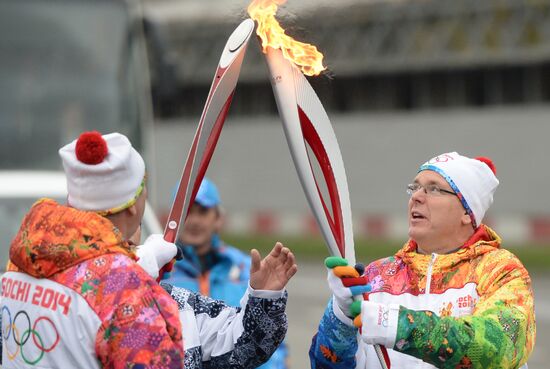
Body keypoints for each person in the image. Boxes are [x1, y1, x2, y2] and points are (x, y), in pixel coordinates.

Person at [0, 131, 297, 369]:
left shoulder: (14, 277)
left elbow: (236, 344)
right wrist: (134, 275)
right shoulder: (126, 294)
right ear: (134, 207)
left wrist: (263, 297)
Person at [310, 152, 536, 369]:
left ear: (467, 212)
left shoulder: (500, 271)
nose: (417, 196)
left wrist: (394, 324)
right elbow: (325, 364)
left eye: (434, 189)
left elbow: (498, 349)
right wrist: (341, 316)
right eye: (415, 187)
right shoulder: (375, 276)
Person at [163, 178, 289, 369]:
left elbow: (270, 340)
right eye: (188, 212)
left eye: (203, 212)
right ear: (174, 219)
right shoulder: (162, 274)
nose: (195, 221)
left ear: (218, 219)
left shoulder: (247, 269)